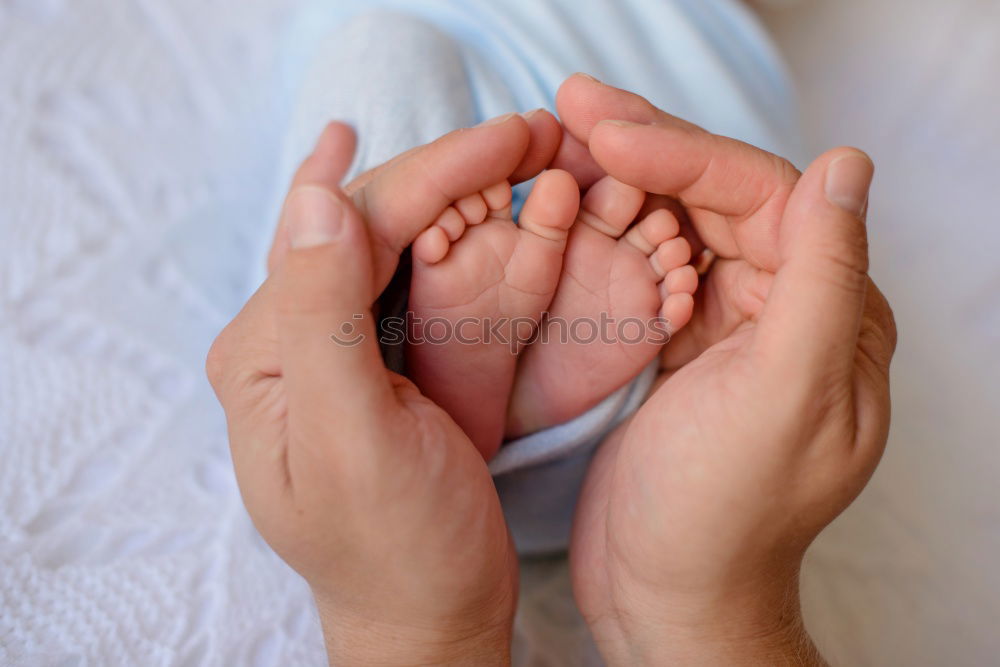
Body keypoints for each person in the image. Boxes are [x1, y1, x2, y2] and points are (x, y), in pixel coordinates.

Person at [207, 74, 896, 664]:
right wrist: (706, 615)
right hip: (638, 446)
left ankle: (366, 335)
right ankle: (517, 399)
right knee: (675, 199)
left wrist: (418, 633)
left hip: (400, 494)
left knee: (383, 77)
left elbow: (337, 145)